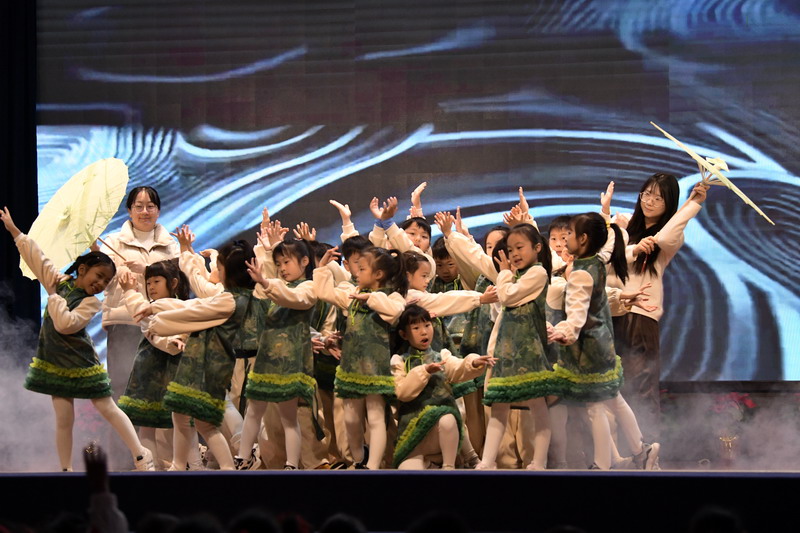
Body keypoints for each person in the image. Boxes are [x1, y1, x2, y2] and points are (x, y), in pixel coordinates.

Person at [0, 206, 154, 472]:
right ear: (82, 269)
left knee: (107, 408)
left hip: (82, 363)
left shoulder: (90, 303)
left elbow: (65, 325)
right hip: (56, 363)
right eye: (98, 276)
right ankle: (66, 470)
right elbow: (37, 258)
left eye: (106, 281)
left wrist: (53, 297)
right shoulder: (59, 282)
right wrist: (15, 232)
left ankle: (141, 454)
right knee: (63, 419)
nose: (101, 284)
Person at [549, 212, 658, 469]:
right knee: (613, 399)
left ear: (583, 239)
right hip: (602, 343)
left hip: (588, 348)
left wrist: (564, 333)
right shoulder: (596, 261)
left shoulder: (580, 273)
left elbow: (576, 315)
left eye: (570, 234)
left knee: (594, 405)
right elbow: (610, 240)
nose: (564, 239)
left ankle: (601, 465)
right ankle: (641, 450)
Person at [610, 175, 710, 443]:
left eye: (659, 198)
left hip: (640, 316)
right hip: (611, 311)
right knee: (611, 388)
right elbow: (604, 261)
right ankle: (618, 453)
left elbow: (663, 236)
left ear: (669, 203)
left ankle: (647, 451)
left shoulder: (671, 236)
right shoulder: (623, 228)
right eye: (646, 194)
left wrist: (692, 204)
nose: (650, 202)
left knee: (640, 386)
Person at [143, 240, 256, 471]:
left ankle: (225, 467)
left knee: (204, 422)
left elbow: (195, 311)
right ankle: (182, 465)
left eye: (220, 268)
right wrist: (157, 308)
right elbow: (195, 306)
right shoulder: (235, 296)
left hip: (207, 363)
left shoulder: (231, 299)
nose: (217, 272)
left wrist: (157, 316)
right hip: (203, 360)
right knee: (184, 415)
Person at [314, 246, 407, 469]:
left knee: (376, 418)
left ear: (378, 274)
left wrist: (370, 298)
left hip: (375, 370)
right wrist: (322, 268)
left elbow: (395, 312)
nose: (357, 272)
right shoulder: (353, 295)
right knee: (351, 419)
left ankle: (372, 467)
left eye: (362, 268)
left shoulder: (391, 296)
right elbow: (325, 293)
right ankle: (359, 458)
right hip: (351, 369)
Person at [477, 223, 559, 470]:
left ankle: (539, 462)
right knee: (499, 407)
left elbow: (508, 296)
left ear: (537, 247)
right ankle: (487, 461)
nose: (514, 254)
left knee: (537, 406)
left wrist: (504, 273)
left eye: (519, 247)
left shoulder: (538, 273)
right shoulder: (518, 276)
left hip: (528, 352)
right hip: (508, 352)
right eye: (510, 249)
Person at [236, 239, 319, 470]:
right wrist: (265, 263)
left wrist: (265, 281)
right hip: (267, 360)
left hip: (290, 362)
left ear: (304, 261)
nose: (282, 268)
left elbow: (293, 299)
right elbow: (271, 294)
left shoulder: (308, 287)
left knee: (288, 417)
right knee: (253, 411)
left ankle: (291, 465)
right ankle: (243, 458)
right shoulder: (277, 288)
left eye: (287, 262)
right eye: (279, 263)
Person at [100, 186, 179, 403]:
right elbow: (102, 280)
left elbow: (178, 282)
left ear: (158, 211)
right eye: (139, 206)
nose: (145, 212)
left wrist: (146, 269)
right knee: (122, 385)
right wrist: (109, 265)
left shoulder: (170, 246)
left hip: (161, 322)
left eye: (150, 206)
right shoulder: (113, 242)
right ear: (129, 210)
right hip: (125, 321)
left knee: (159, 386)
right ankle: (123, 428)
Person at [391, 305, 494, 469]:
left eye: (427, 325)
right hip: (414, 433)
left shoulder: (442, 356)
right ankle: (431, 464)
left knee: (447, 416)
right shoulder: (400, 361)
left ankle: (448, 467)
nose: (424, 332)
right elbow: (402, 392)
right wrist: (424, 371)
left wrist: (473, 362)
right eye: (416, 328)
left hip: (443, 432)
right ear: (404, 334)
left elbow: (458, 367)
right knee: (409, 470)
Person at [117, 259, 189, 469]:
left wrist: (181, 338)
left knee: (182, 421)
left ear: (173, 283)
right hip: (149, 370)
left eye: (156, 281)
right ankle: (151, 468)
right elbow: (152, 331)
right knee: (147, 421)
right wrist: (128, 291)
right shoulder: (148, 309)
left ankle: (186, 465)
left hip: (174, 369)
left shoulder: (182, 306)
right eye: (148, 283)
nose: (151, 287)